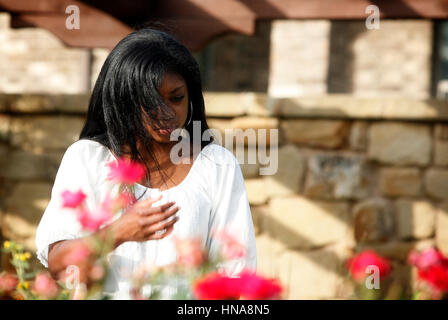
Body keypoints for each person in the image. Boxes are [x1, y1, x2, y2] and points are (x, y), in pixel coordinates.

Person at [35, 27, 257, 299]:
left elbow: (235, 271)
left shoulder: (217, 165)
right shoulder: (88, 159)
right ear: (124, 102)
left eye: (176, 98)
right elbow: (59, 262)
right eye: (150, 103)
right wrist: (117, 232)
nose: (166, 114)